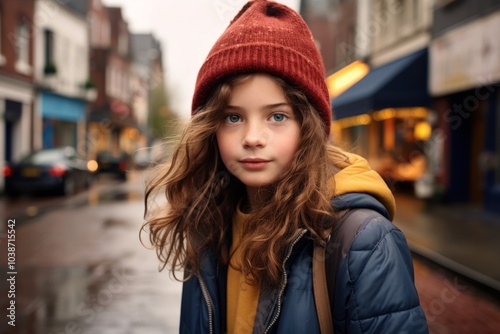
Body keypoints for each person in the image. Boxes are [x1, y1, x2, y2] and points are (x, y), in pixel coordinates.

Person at [143, 0, 429, 333]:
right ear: (211, 127)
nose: (252, 137)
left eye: (277, 116)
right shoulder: (207, 226)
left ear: (307, 127)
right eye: (233, 117)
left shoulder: (366, 243)